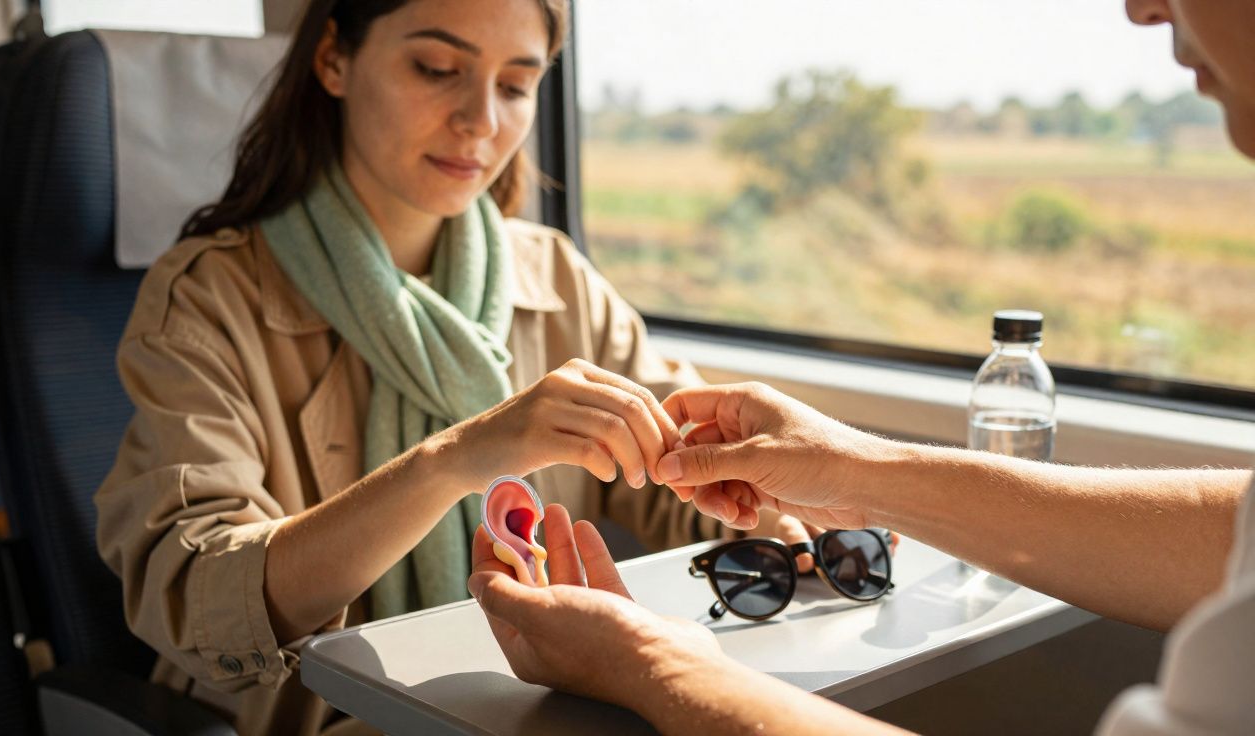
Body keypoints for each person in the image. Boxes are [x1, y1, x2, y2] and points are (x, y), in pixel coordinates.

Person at [468, 1, 1255, 734]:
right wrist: (854, 472)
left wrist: (655, 667)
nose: (1138, 8)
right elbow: (1237, 534)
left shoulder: (560, 277)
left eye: (516, 83)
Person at [95, 2, 803, 734]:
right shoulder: (206, 298)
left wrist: (777, 520)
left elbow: (680, 463)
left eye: (515, 85)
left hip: (525, 702)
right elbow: (197, 596)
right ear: (334, 59)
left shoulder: (555, 275)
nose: (481, 121)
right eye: (436, 69)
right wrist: (451, 462)